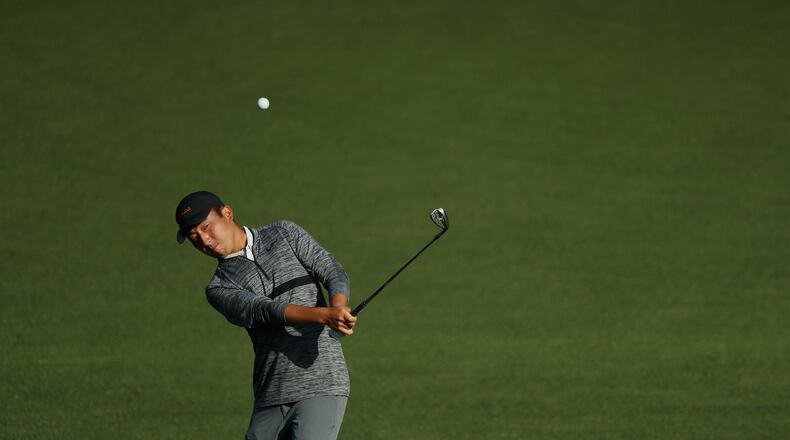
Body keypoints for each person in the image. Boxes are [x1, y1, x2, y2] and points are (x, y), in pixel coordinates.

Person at [174, 191, 357, 440]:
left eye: (207, 227)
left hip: (322, 381)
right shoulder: (218, 288)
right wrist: (325, 315)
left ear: (227, 213)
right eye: (195, 237)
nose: (205, 241)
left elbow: (331, 269)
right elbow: (265, 310)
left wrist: (338, 306)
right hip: (270, 393)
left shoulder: (284, 233)